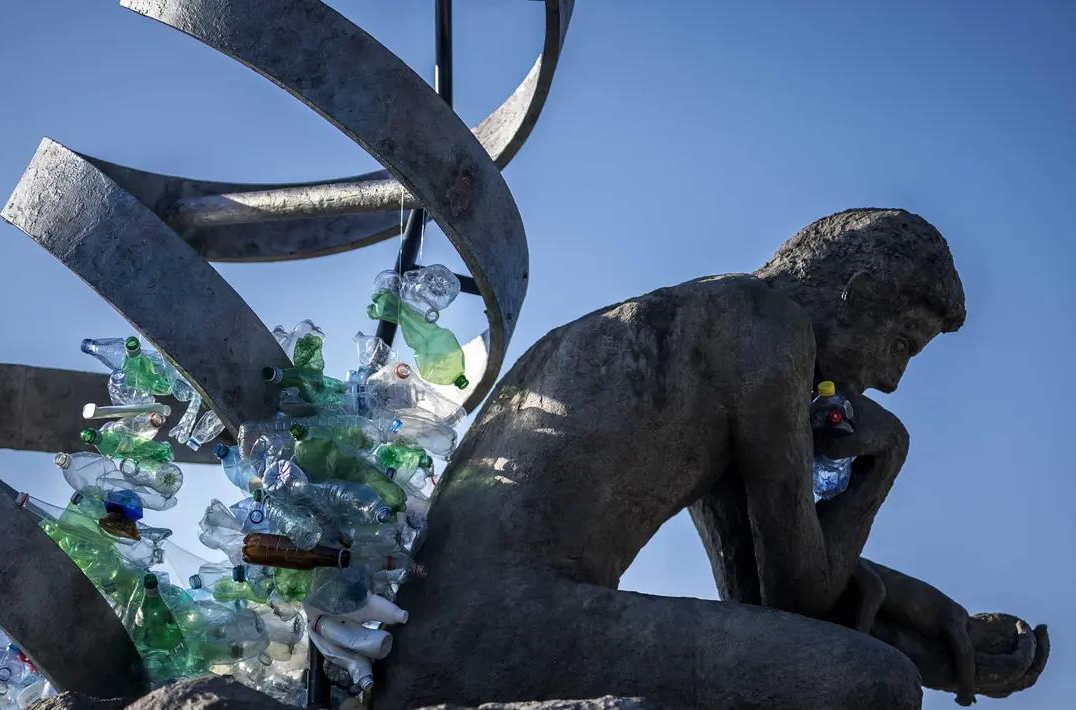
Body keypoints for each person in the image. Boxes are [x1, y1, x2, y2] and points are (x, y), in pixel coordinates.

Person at [380, 209, 1045, 709]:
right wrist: (884, 460)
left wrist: (941, 626)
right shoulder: (767, 329)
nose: (891, 381)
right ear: (860, 291)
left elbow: (761, 593)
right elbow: (798, 593)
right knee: (877, 685)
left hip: (439, 621)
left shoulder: (701, 318)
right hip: (497, 627)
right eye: (901, 344)